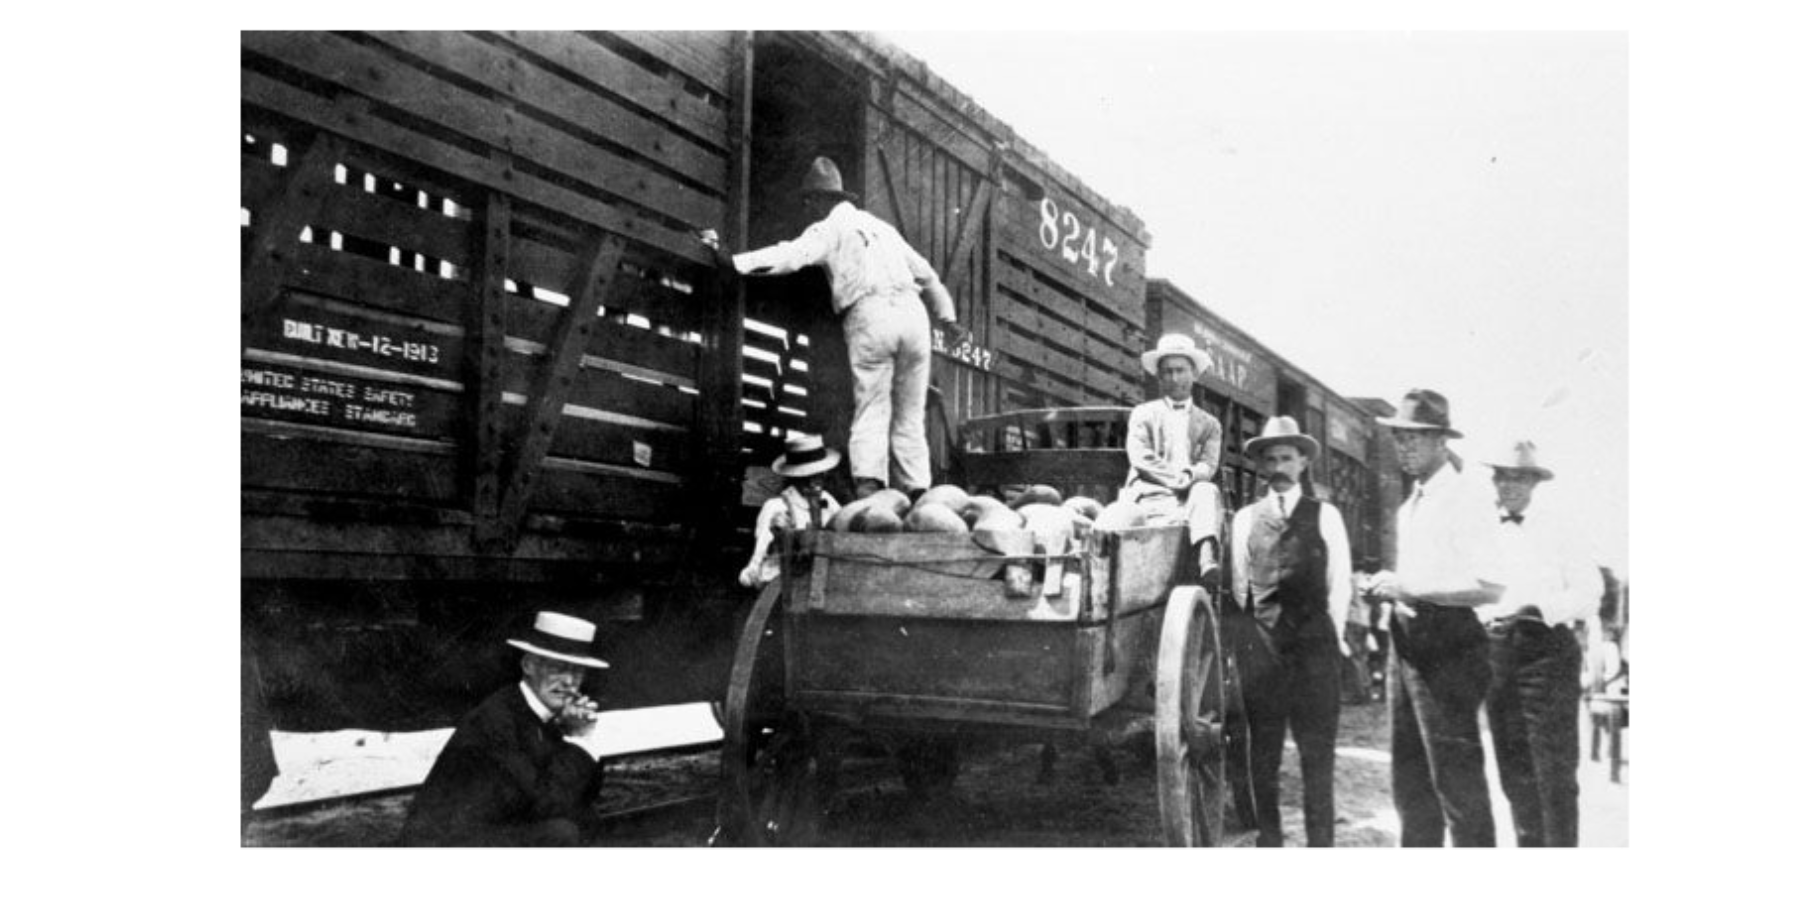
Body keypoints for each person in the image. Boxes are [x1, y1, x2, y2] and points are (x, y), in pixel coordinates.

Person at [731, 156, 964, 500]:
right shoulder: (884, 229)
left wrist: (735, 262)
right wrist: (948, 316)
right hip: (915, 318)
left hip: (871, 314)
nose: (807, 208)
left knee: (872, 406)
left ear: (820, 200)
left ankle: (870, 491)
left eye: (809, 201)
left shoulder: (828, 228)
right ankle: (917, 493)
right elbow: (928, 276)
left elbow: (789, 256)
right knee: (910, 415)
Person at [1362, 389, 1502, 850]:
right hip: (1407, 646)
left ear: (1443, 440)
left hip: (1451, 648)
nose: (1404, 447)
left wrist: (1411, 589)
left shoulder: (1468, 498)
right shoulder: (1409, 506)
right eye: (1399, 438)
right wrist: (1391, 583)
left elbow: (1491, 586)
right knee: (1411, 786)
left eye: (1415, 439)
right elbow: (1420, 578)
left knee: (1458, 787)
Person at [1228, 416, 1352, 850]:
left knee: (1317, 763)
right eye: (1271, 459)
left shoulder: (1327, 516)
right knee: (1263, 763)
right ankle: (1271, 844)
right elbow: (1241, 586)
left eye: (1287, 457)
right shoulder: (1245, 520)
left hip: (1316, 659)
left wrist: (1329, 644)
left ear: (1302, 463)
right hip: (1264, 660)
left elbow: (1341, 586)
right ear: (1261, 466)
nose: (1279, 467)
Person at [1476, 440, 1602, 850]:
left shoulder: (1560, 529)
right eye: (1502, 476)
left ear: (1534, 482)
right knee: (1514, 771)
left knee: (1553, 772)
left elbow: (1590, 592)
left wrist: (1539, 608)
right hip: (1497, 652)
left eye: (1518, 477)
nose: (1508, 485)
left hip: (1546, 652)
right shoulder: (1481, 530)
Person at [403, 612, 610, 849]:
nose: (569, 682)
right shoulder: (496, 721)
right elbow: (543, 804)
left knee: (586, 818)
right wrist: (578, 741)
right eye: (558, 668)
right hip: (445, 843)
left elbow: (583, 795)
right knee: (560, 833)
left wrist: (582, 737)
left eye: (577, 671)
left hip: (493, 831)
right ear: (528, 665)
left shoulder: (550, 714)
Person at [1113, 333, 1224, 580]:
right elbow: (1140, 458)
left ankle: (1206, 555)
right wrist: (1178, 479)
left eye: (1181, 370)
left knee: (1206, 489)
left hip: (1189, 503)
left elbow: (1208, 465)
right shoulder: (1143, 413)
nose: (1174, 378)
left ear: (1194, 374)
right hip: (1147, 498)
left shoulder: (1210, 424)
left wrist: (1191, 476)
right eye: (1167, 372)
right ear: (1159, 376)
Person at [740, 435, 843, 587]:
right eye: (807, 475)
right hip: (781, 583)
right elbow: (759, 556)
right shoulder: (776, 507)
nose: (815, 480)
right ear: (795, 477)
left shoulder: (828, 501)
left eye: (819, 474)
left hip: (820, 579)